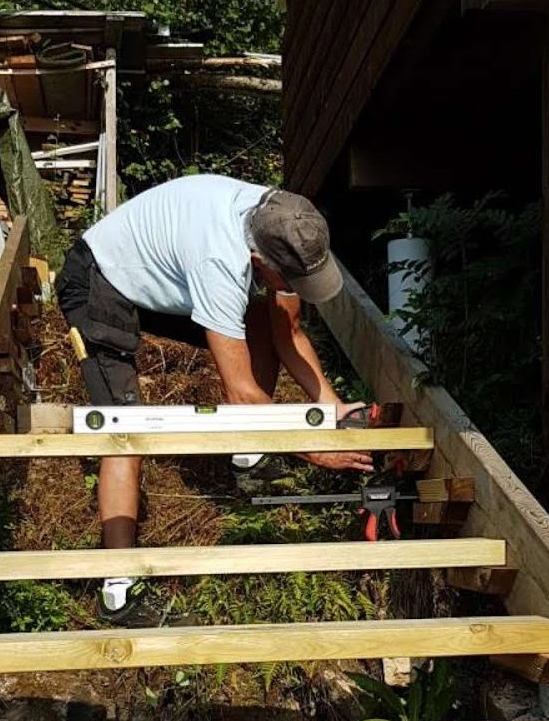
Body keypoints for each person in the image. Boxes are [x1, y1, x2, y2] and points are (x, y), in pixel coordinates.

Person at [57, 173, 372, 620]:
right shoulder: (219, 261)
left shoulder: (281, 220)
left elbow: (289, 332)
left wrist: (334, 408)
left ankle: (248, 455)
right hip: (99, 280)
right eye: (289, 281)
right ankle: (119, 588)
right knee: (123, 424)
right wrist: (316, 450)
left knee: (261, 323)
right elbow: (241, 395)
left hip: (162, 272)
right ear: (258, 260)